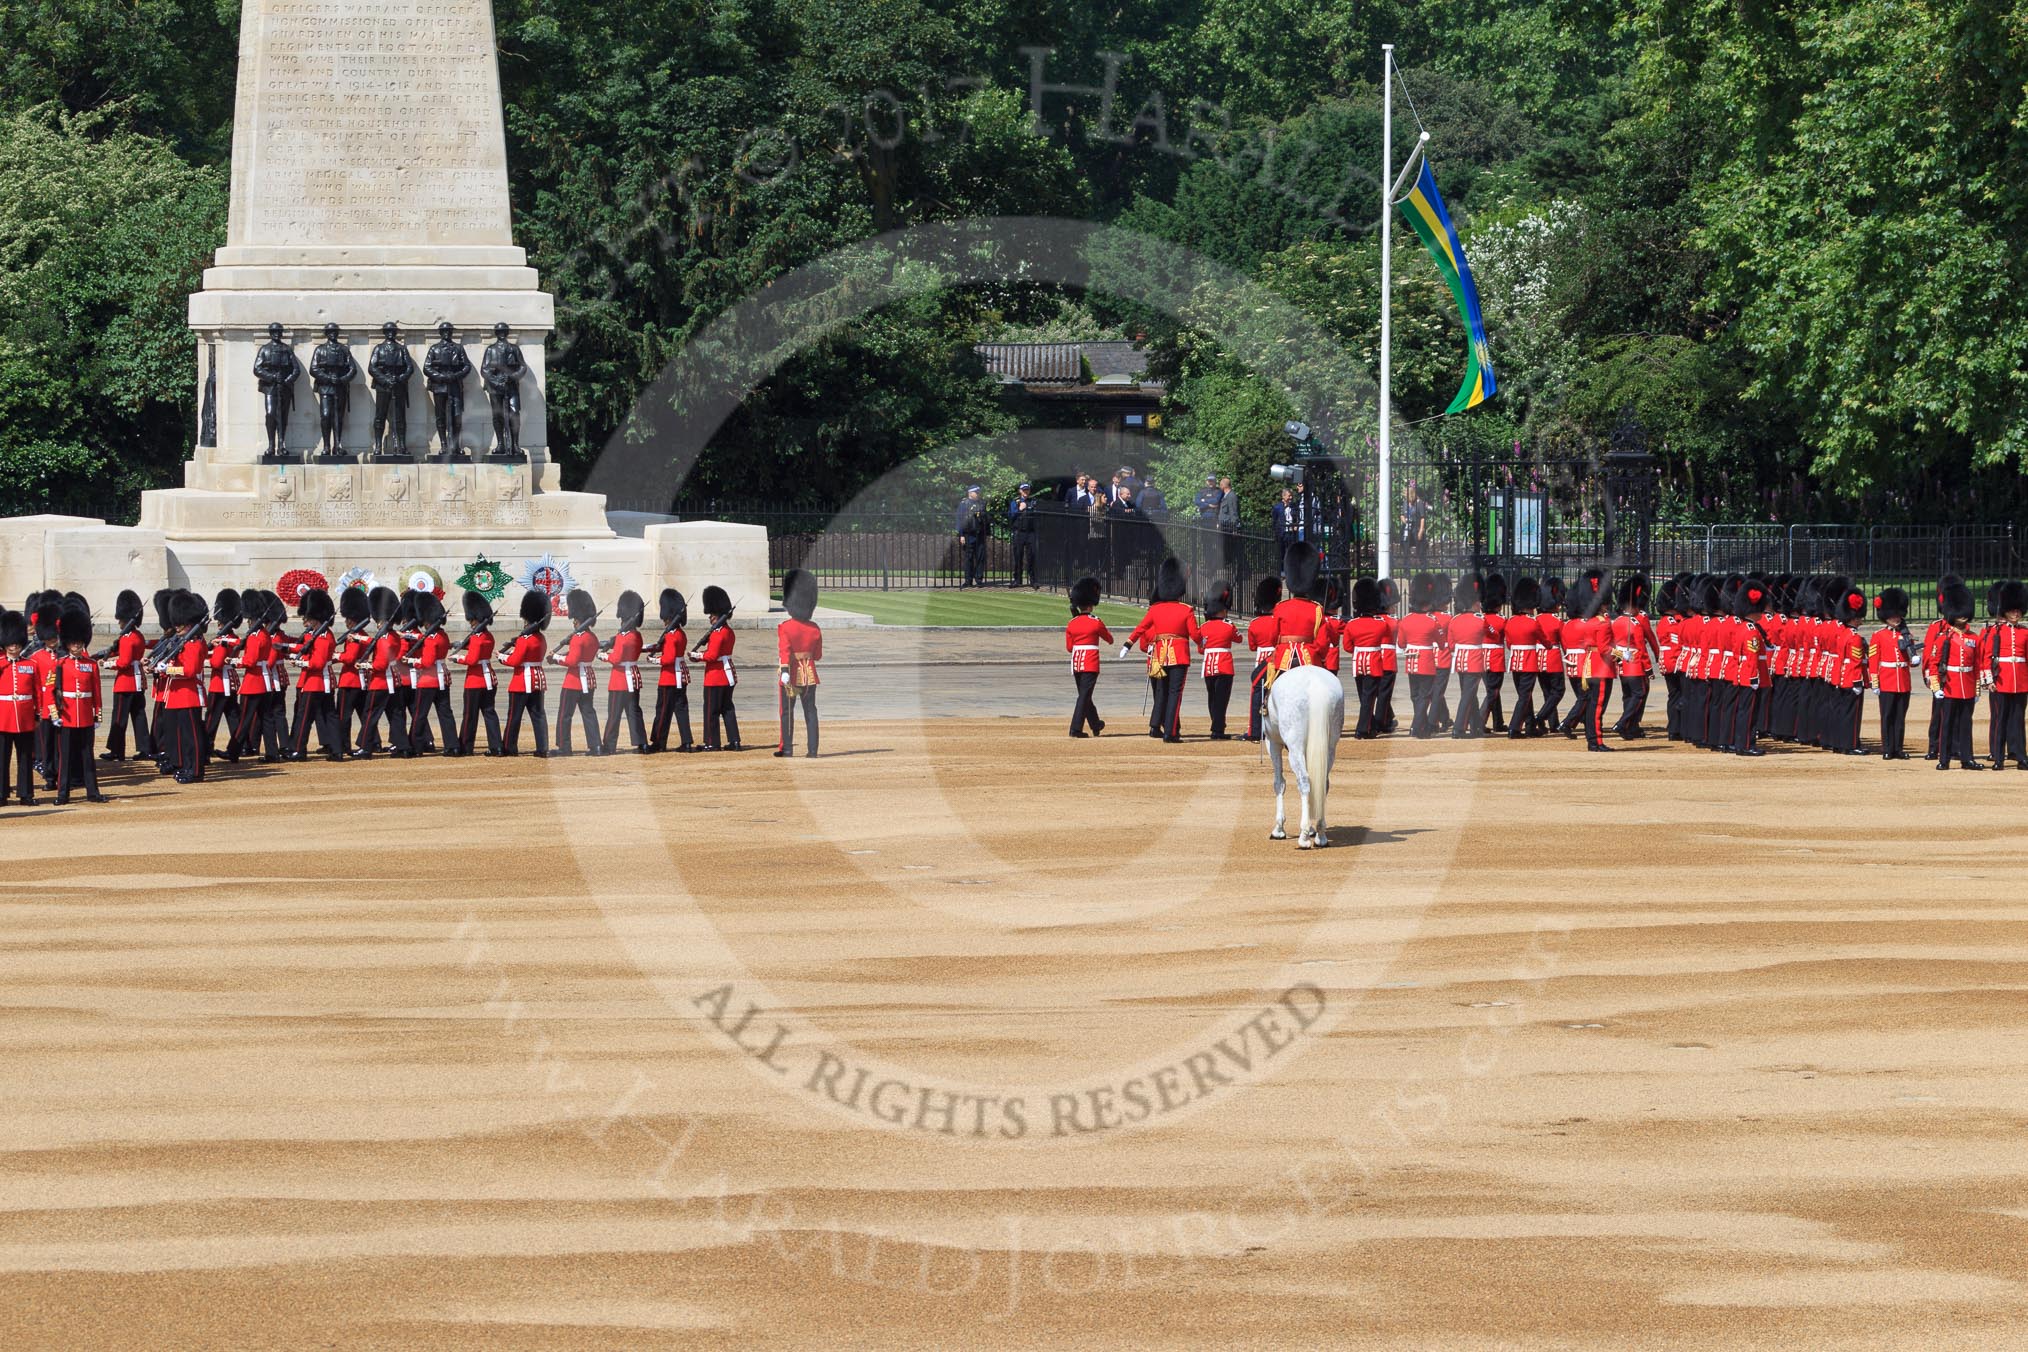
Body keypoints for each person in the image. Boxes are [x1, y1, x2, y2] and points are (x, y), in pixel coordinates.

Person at [1125, 557, 1198, 742]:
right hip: (1179, 655)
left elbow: (1141, 628)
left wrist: (1128, 643)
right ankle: (1171, 732)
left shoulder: (1156, 610)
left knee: (1163, 693)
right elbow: (1195, 635)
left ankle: (1165, 728)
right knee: (1175, 694)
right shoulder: (1186, 610)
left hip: (1160, 656)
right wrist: (1203, 641)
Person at [47, 601, 107, 803]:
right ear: (67, 643)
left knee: (88, 756)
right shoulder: (60, 664)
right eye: (74, 642)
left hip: (85, 718)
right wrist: (55, 714)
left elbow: (96, 692)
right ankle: (63, 794)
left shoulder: (91, 665)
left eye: (80, 642)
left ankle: (93, 792)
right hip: (68, 716)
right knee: (65, 759)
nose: (77, 645)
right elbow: (50, 692)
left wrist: (97, 714)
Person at [95, 590, 152, 762]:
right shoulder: (138, 636)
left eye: (120, 620)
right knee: (139, 716)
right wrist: (107, 654)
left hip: (125, 683)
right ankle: (144, 749)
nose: (118, 622)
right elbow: (124, 654)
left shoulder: (127, 638)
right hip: (138, 682)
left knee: (119, 717)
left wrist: (106, 664)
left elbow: (124, 662)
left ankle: (116, 751)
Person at [1930, 582, 1982, 770]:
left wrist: (1976, 688)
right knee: (1947, 724)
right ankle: (1944, 759)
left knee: (1966, 725)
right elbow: (1933, 664)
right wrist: (1936, 687)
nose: (1963, 614)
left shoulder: (1974, 638)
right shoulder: (1944, 637)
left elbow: (1977, 664)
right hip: (1950, 686)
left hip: (1967, 686)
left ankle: (1967, 758)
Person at [288, 587, 343, 761]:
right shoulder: (322, 635)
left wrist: (300, 662)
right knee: (330, 716)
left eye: (310, 618)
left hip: (315, 682)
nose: (308, 621)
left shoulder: (322, 637)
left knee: (305, 717)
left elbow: (317, 663)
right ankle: (336, 749)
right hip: (323, 682)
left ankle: (299, 750)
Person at [774, 570, 824, 757]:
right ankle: (812, 750)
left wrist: (785, 670)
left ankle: (787, 749)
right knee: (810, 712)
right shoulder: (815, 628)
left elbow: (784, 651)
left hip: (791, 677)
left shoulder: (785, 627)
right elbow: (817, 655)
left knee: (787, 712)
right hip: (809, 676)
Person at [550, 588, 603, 756]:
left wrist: (556, 658)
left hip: (573, 681)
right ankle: (596, 746)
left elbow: (572, 661)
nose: (573, 622)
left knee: (565, 715)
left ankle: (564, 747)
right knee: (588, 713)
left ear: (579, 620)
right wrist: (560, 655)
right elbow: (578, 656)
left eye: (575, 619)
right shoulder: (592, 637)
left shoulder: (578, 638)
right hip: (588, 680)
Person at [1982, 580, 2028, 768]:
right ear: (2005, 611)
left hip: (2021, 681)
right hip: (2001, 680)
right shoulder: (1995, 631)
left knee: (2018, 719)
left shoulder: (2025, 633)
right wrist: (1988, 679)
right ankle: (1998, 756)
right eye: (2012, 611)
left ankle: (2020, 755)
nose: (2015, 614)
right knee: (2001, 719)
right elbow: (1987, 657)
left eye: (2018, 611)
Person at [500, 590, 551, 757]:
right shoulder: (541, 638)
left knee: (514, 716)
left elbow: (515, 661)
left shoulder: (525, 640)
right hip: (538, 680)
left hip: (521, 682)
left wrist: (502, 657)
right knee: (538, 715)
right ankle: (542, 747)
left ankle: (509, 747)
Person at [452, 591, 503, 756]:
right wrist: (461, 645)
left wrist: (457, 658)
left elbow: (472, 659)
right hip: (489, 679)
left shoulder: (476, 637)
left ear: (475, 619)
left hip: (475, 681)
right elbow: (479, 649)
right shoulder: (488, 636)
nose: (471, 623)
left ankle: (466, 747)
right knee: (489, 713)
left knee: (469, 716)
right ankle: (496, 746)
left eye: (472, 620)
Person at [1341, 577, 1392, 739]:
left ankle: (1368, 725)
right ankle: (1363, 729)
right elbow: (1384, 642)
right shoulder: (1381, 624)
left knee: (1363, 696)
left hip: (1358, 663)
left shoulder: (1352, 624)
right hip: (1374, 663)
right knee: (1369, 698)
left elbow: (1348, 647)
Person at [1868, 587, 1915, 761]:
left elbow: (1910, 657)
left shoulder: (1906, 634)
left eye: (1898, 614)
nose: (1896, 618)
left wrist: (1913, 659)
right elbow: (1874, 659)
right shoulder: (1878, 635)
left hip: (1902, 680)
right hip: (1886, 680)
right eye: (1893, 615)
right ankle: (1887, 748)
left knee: (1900, 717)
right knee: (1887, 715)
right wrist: (1875, 681)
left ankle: (1898, 748)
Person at [692, 586, 741, 750]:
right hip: (728, 675)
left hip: (716, 677)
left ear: (717, 615)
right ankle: (734, 741)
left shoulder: (718, 633)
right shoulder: (728, 631)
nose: (710, 618)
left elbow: (712, 656)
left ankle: (712, 742)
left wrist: (697, 655)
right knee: (727, 708)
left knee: (711, 710)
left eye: (712, 615)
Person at [600, 590, 649, 754]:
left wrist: (603, 655)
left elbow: (616, 659)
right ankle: (642, 743)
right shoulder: (636, 635)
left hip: (620, 680)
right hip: (633, 678)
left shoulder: (623, 636)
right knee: (634, 713)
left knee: (614, 714)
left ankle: (609, 745)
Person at [646, 590, 694, 753]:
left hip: (670, 678)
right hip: (681, 677)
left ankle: (659, 742)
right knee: (681, 711)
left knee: (662, 712)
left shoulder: (672, 635)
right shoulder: (680, 633)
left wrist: (654, 660)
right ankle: (686, 741)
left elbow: (668, 659)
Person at [1610, 576, 1657, 738]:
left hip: (1622, 666)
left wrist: (1621, 655)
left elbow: (1610, 647)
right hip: (1636, 666)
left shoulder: (1615, 622)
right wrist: (1650, 670)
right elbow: (1642, 650)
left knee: (1628, 696)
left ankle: (1628, 727)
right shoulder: (1635, 625)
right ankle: (1622, 723)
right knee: (1639, 694)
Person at [1065, 576, 1111, 738]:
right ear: (1091, 605)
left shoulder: (1072, 623)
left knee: (1085, 695)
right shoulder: (1096, 622)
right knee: (1084, 696)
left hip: (1077, 662)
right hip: (1090, 662)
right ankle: (1075, 728)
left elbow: (1070, 648)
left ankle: (1095, 723)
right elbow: (1110, 639)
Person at [0, 611, 38, 804]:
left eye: (16, 643)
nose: (13, 647)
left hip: (24, 717)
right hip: (3, 717)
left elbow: (37, 691)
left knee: (24, 758)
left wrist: (37, 714)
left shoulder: (31, 665)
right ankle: (1, 794)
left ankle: (26, 793)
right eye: (10, 643)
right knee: (2, 758)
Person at [332, 586, 373, 756]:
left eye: (348, 619)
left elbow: (350, 658)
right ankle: (371, 743)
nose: (346, 622)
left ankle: (343, 746)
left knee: (343, 716)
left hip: (350, 680)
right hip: (360, 680)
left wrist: (335, 655)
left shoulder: (355, 637)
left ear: (352, 619)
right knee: (364, 715)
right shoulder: (359, 634)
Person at [1197, 579, 1237, 740]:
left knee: (1212, 697)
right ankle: (1218, 729)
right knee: (1222, 699)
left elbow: (1201, 649)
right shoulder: (1229, 625)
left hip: (1208, 666)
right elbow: (1239, 639)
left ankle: (1215, 723)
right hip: (1224, 665)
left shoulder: (1203, 627)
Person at [1448, 575, 1487, 739]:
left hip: (1460, 660)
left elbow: (1451, 645)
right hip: (1474, 660)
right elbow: (1493, 634)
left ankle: (1476, 726)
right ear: (1476, 602)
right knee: (1468, 695)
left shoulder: (1455, 620)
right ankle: (1458, 728)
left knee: (1470, 694)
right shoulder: (1481, 620)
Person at [1502, 578, 1542, 738]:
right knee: (1525, 696)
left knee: (1525, 695)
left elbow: (1509, 644)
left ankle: (1530, 725)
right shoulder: (1533, 622)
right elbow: (1544, 641)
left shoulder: (1509, 622)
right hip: (1529, 662)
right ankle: (1514, 727)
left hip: (1515, 661)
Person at [1245, 577, 1280, 742]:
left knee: (1259, 692)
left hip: (1262, 659)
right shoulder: (1278, 620)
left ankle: (1255, 729)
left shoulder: (1255, 623)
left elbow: (1252, 646)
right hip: (1278, 657)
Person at [1534, 578, 1565, 736]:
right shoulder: (1557, 621)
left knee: (1548, 693)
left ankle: (1553, 724)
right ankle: (1540, 717)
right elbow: (1564, 642)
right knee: (1558, 691)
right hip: (1553, 659)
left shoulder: (1536, 619)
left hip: (1538, 659)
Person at [955, 486, 989, 588]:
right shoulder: (964, 504)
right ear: (970, 493)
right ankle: (968, 581)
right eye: (976, 492)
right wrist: (961, 535)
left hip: (980, 534)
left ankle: (979, 580)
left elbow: (986, 519)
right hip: (968, 534)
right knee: (968, 558)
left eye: (978, 492)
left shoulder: (982, 503)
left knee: (980, 558)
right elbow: (960, 520)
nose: (978, 494)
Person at [1008, 483, 1039, 588]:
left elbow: (1037, 514)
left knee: (1032, 556)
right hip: (1019, 532)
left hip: (1030, 532)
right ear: (1020, 491)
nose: (1026, 492)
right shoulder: (1015, 502)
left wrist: (1029, 508)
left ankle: (1033, 580)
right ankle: (1017, 579)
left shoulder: (1033, 501)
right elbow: (1011, 515)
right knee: (1018, 556)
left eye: (1027, 490)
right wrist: (1020, 509)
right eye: (1024, 490)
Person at [1400, 482, 1431, 568]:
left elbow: (1422, 518)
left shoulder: (1419, 503)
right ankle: (1406, 570)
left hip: (1416, 528)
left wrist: (1421, 531)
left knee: (1420, 550)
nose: (1405, 497)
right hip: (1407, 529)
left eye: (1407, 495)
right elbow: (1402, 515)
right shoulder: (1405, 503)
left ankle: (1423, 569)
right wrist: (1404, 520)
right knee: (1406, 550)